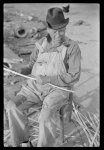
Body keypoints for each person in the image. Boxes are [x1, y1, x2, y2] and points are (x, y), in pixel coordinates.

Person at [5, 7, 81, 147]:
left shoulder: (72, 47)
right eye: (55, 31)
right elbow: (31, 66)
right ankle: (24, 142)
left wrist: (48, 79)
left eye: (62, 30)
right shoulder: (40, 44)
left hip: (57, 90)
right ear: (48, 29)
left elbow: (74, 76)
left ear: (65, 27)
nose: (59, 34)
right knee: (12, 106)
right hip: (34, 88)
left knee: (45, 117)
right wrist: (20, 69)